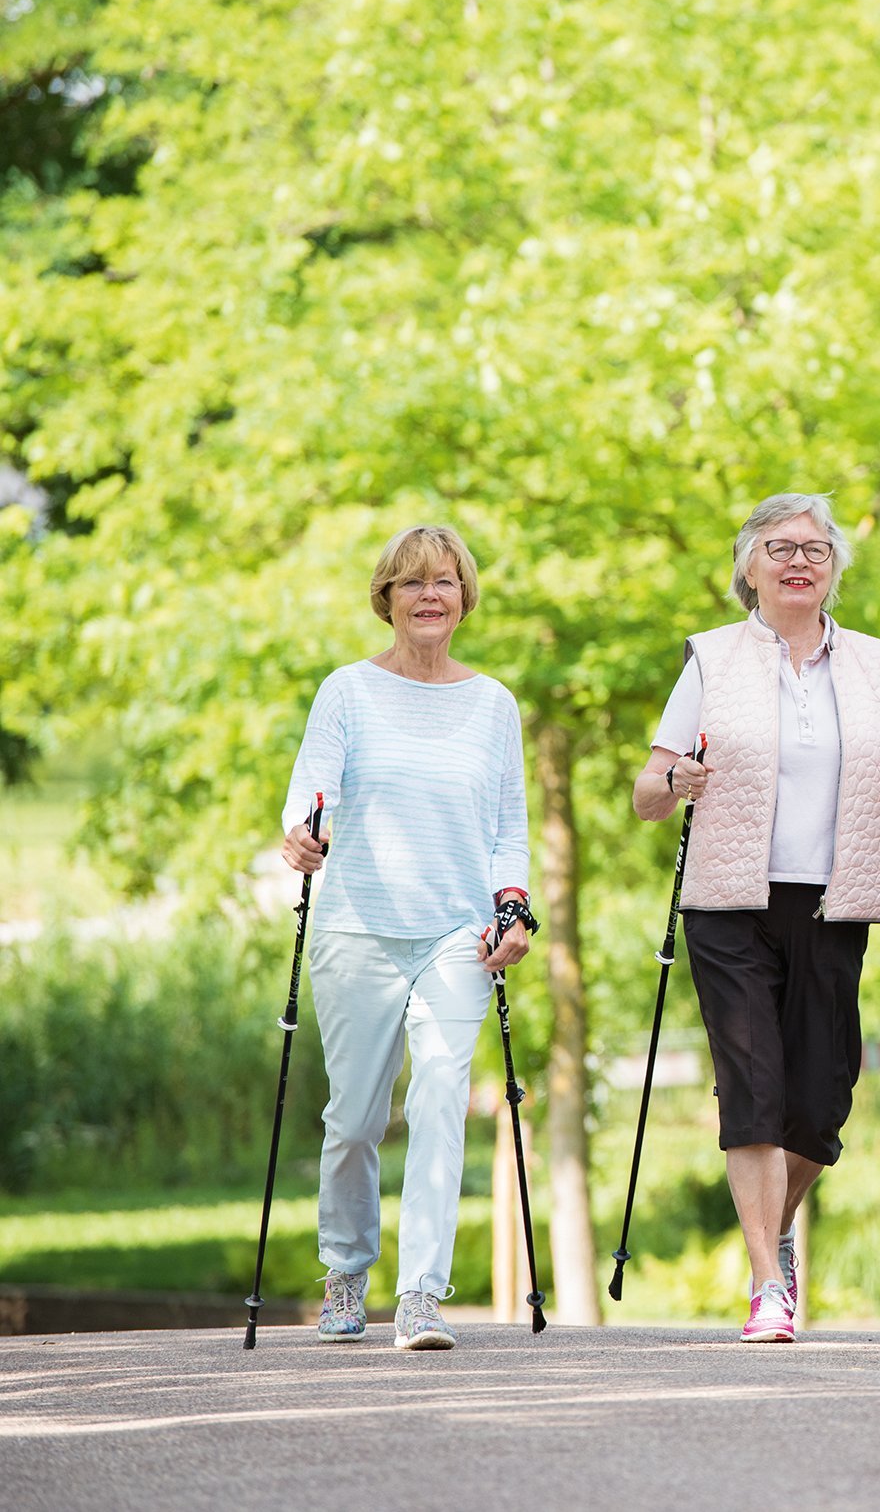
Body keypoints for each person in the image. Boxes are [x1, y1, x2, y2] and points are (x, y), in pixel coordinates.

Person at [632, 492, 880, 1345]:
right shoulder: (710, 660)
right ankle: (770, 1279)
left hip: (835, 898)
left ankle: (775, 1225)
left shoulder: (874, 664)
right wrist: (678, 782)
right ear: (749, 567)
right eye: (779, 547)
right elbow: (647, 794)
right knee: (754, 1088)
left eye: (815, 547)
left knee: (822, 1097)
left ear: (835, 566)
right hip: (730, 900)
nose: (799, 560)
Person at [279, 525, 534, 1352]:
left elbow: (508, 829)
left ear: (465, 597)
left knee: (440, 1100)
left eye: (446, 581)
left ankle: (422, 1292)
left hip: (457, 934)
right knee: (353, 1118)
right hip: (356, 927)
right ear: (386, 596)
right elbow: (309, 793)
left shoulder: (494, 703)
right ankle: (346, 1269)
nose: (431, 594)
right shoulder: (347, 691)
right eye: (413, 581)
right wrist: (301, 834)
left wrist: (514, 907)